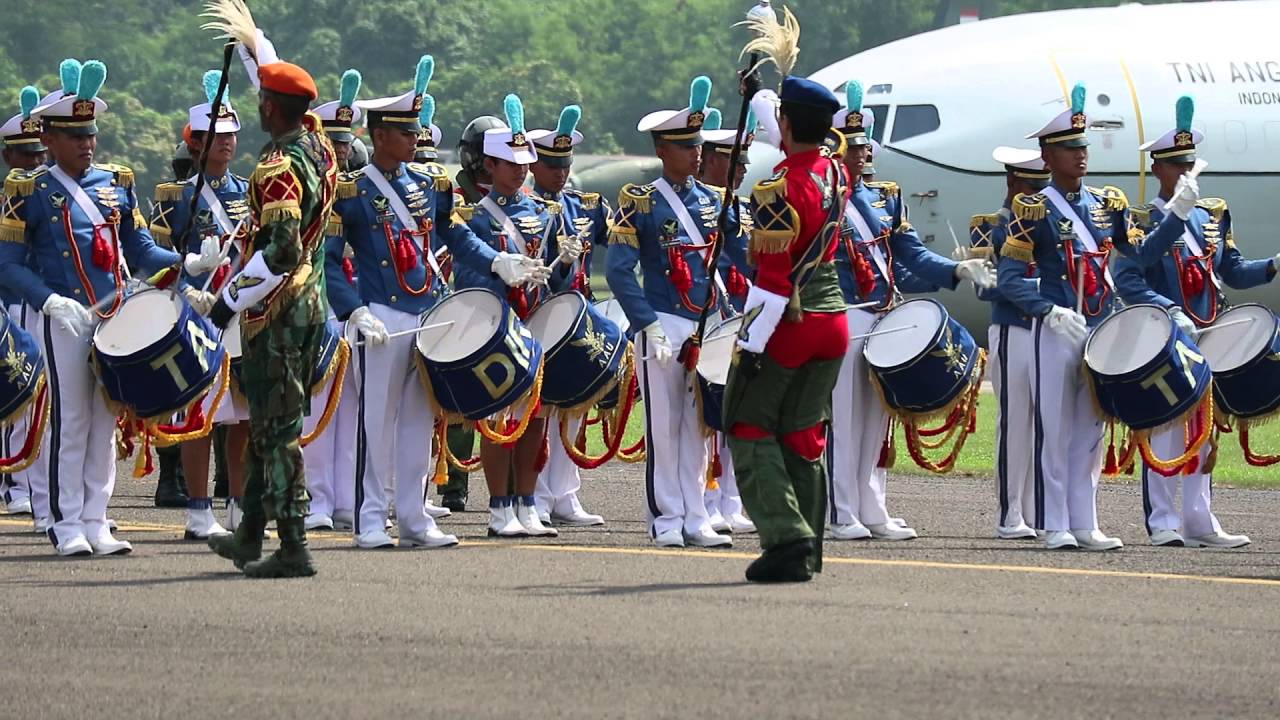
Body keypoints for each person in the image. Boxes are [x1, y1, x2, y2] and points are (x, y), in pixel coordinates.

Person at [327, 61, 547, 549]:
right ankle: (369, 518)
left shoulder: (429, 185)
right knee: (375, 422)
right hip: (378, 315)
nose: (415, 140)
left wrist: (498, 262)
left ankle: (413, 516)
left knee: (419, 421)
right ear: (380, 135)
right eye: (406, 132)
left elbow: (457, 236)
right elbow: (329, 261)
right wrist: (352, 311)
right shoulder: (352, 192)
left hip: (427, 314)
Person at [0, 59, 189, 557]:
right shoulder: (28, 191)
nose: (87, 143)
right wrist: (50, 300)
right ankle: (65, 523)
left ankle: (96, 518)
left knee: (104, 424)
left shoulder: (117, 183)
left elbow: (142, 249)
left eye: (91, 133)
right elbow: (8, 264)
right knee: (70, 422)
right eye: (75, 135)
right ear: (51, 140)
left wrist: (189, 261)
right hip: (64, 321)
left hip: (112, 320)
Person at [996, 82, 1187, 551]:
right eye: (1068, 148)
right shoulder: (1032, 209)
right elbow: (1008, 277)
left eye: (1082, 146)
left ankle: (1086, 520)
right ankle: (1054, 521)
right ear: (1047, 156)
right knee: (1055, 428)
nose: (1080, 155)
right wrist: (1048, 308)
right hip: (1058, 329)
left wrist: (1177, 215)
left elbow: (1139, 257)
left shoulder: (1108, 204)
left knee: (1090, 430)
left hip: (1101, 328)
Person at [824, 81, 994, 542]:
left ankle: (871, 506)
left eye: (863, 147)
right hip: (844, 315)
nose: (861, 155)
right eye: (851, 147)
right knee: (846, 417)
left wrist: (958, 270)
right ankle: (841, 511)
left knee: (879, 419)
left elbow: (913, 256)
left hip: (883, 314)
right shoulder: (821, 199)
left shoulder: (886, 197)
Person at [200, 14, 339, 575]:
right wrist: (257, 48)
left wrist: (227, 298)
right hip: (311, 304)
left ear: (267, 110)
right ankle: (251, 535)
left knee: (278, 432)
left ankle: (294, 545)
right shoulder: (322, 148)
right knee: (266, 424)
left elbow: (279, 251)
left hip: (277, 309)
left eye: (261, 100)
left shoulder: (279, 165)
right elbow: (282, 86)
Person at [1112, 96, 1274, 549]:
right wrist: (1170, 310)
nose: (1185, 172)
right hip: (1165, 339)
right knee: (1163, 426)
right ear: (1159, 170)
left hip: (1208, 332)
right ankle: (1162, 521)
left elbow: (1232, 271)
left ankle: (1200, 520)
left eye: (1189, 162)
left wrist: (1273, 266)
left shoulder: (1212, 216)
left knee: (1202, 430)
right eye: (1176, 164)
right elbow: (1128, 279)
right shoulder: (1142, 220)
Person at [723, 74, 849, 582]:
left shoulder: (776, 189)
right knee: (801, 434)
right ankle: (808, 548)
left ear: (787, 122)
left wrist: (750, 344)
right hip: (835, 320)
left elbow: (773, 281)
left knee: (748, 423)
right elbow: (798, 137)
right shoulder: (836, 172)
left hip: (791, 323)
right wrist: (760, 95)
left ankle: (785, 538)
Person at [605, 76, 737, 549]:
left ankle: (696, 512)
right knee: (664, 426)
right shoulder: (639, 202)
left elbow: (738, 260)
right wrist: (649, 325)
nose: (696, 154)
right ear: (664, 150)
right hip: (663, 322)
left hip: (707, 324)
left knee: (700, 426)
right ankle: (666, 517)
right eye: (685, 146)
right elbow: (620, 272)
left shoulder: (716, 202)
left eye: (698, 145)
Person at [454, 93, 578, 538]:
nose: (520, 171)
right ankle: (498, 507)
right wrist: (506, 276)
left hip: (535, 324)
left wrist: (564, 262)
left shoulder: (544, 211)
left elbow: (558, 279)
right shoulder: (472, 215)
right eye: (510, 164)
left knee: (534, 421)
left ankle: (527, 503)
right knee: (498, 420)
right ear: (489, 166)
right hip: (496, 327)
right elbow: (466, 271)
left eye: (524, 163)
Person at [149, 70, 253, 541]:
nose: (228, 143)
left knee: (243, 416)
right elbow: (152, 259)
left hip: (239, 310)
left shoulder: (248, 192)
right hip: (196, 313)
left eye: (232, 134)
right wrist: (185, 279)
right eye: (218, 136)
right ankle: (197, 510)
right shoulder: (176, 197)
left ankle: (237, 504)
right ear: (197, 143)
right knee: (201, 414)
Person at [527, 103, 609, 528]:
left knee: (575, 405)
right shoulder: (525, 207)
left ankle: (565, 493)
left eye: (565, 163)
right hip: (541, 313)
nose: (559, 171)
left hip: (580, 313)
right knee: (542, 408)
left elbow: (618, 240)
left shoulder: (587, 206)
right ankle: (537, 492)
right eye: (550, 163)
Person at [969, 146, 1049, 540]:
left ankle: (1038, 509)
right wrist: (1039, 288)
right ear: (1013, 182)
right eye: (1032, 187)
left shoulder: (1049, 220)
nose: (1037, 195)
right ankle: (1010, 512)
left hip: (1048, 332)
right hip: (1013, 329)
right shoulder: (990, 226)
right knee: (1015, 423)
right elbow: (985, 289)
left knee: (1047, 425)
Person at [303, 68, 365, 531]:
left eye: (345, 143)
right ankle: (316, 499)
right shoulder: (306, 185)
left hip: (360, 306)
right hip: (318, 306)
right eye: (334, 141)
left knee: (353, 409)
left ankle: (347, 497)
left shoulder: (362, 191)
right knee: (318, 407)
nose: (341, 151)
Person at [696, 105, 756, 535]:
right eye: (736, 161)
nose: (742, 171)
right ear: (712, 160)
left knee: (739, 412)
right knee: (705, 418)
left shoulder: (748, 207)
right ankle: (705, 499)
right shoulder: (698, 206)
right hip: (708, 318)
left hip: (741, 318)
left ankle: (732, 499)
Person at [0, 84, 46, 521]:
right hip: (7, 307)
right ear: (8, 157)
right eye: (26, 154)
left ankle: (38, 485)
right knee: (15, 396)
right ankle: (14, 481)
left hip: (43, 307)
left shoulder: (50, 195)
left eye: (40, 153)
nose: (35, 161)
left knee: (44, 400)